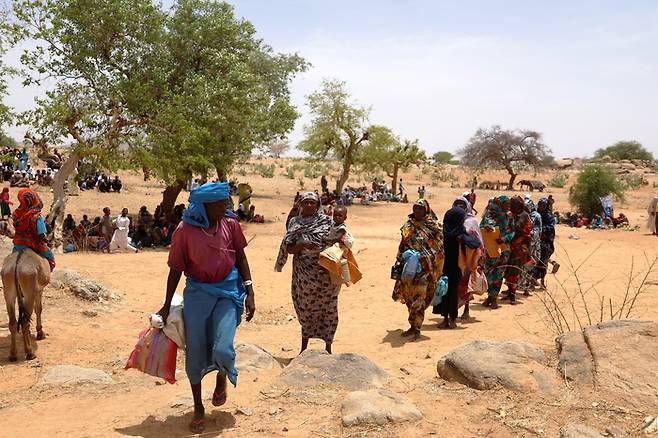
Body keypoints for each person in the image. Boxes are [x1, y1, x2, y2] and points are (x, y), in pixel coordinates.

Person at [157, 182, 255, 434]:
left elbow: (241, 256)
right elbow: (176, 268)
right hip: (198, 294)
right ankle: (199, 407)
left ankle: (222, 376)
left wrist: (250, 290)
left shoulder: (230, 224)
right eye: (221, 203)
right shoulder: (185, 230)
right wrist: (167, 305)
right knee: (196, 353)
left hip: (228, 291)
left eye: (226, 202)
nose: (226, 206)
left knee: (223, 347)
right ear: (205, 206)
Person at [275, 192, 341, 354]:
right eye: (306, 202)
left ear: (318, 205)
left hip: (324, 271)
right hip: (304, 275)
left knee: (329, 308)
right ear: (301, 205)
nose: (310, 205)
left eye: (313, 203)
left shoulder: (327, 221)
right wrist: (301, 245)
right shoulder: (295, 222)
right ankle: (303, 348)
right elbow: (289, 248)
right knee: (306, 308)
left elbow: (338, 238)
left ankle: (328, 348)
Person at [391, 200, 444, 340]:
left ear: (426, 210)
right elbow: (403, 243)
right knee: (408, 296)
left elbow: (439, 248)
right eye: (415, 208)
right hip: (408, 267)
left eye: (420, 209)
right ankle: (412, 325)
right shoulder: (408, 225)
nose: (417, 211)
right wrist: (400, 257)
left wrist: (425, 257)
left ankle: (417, 328)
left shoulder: (434, 227)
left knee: (419, 298)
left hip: (425, 269)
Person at [433, 204, 480, 328]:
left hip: (456, 268)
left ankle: (452, 319)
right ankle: (445, 319)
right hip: (444, 267)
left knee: (452, 292)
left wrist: (463, 238)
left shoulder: (460, 232)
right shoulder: (442, 232)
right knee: (444, 292)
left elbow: (475, 243)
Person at [452, 196, 483, 320]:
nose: (459, 207)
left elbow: (479, 242)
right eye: (457, 204)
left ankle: (466, 308)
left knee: (466, 283)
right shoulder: (451, 219)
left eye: (462, 205)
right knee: (454, 284)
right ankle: (453, 310)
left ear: (467, 207)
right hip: (454, 257)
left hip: (468, 258)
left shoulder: (472, 221)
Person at [480, 195, 513, 309]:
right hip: (490, 249)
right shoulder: (489, 215)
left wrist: (504, 238)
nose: (508, 206)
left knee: (499, 274)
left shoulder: (509, 216)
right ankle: (490, 295)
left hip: (503, 249)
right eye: (506, 204)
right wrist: (487, 227)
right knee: (488, 272)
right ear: (500, 204)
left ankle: (493, 298)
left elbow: (512, 231)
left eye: (509, 204)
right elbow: (481, 227)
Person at [12, 188, 55, 270]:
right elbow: (41, 233)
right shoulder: (36, 216)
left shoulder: (16, 214)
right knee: (50, 258)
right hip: (35, 244)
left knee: (12, 260)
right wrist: (46, 240)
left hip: (19, 244)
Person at [501, 196, 533, 304]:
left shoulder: (523, 215)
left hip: (520, 248)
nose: (511, 207)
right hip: (512, 247)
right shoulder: (515, 214)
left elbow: (518, 228)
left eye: (512, 205)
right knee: (509, 270)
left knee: (514, 271)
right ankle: (510, 293)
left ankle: (513, 296)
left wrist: (511, 219)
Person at [534, 198, 556, 289]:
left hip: (546, 242)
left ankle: (542, 281)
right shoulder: (536, 214)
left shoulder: (549, 216)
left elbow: (551, 228)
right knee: (535, 261)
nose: (541, 207)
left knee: (543, 262)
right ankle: (533, 280)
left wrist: (541, 229)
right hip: (536, 241)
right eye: (540, 205)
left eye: (543, 205)